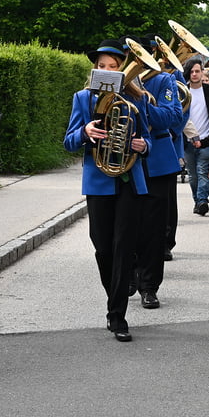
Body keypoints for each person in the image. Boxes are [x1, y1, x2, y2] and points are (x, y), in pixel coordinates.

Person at [63, 39, 152, 342]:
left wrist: (142, 145)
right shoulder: (82, 98)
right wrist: (84, 131)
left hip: (128, 181)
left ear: (122, 69)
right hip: (99, 182)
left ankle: (117, 315)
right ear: (95, 69)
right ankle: (115, 297)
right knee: (103, 248)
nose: (107, 70)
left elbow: (147, 139)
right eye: (102, 66)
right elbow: (68, 142)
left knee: (123, 246)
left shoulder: (135, 99)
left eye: (113, 67)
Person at [131, 36, 185, 310]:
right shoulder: (114, 81)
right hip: (125, 160)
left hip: (158, 163)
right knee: (127, 225)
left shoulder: (164, 80)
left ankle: (149, 287)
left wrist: (141, 101)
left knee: (153, 230)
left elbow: (172, 118)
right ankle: (129, 273)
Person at [182, 56, 209, 215]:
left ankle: (202, 201)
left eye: (197, 71)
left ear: (202, 72)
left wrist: (207, 139)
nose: (194, 74)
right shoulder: (183, 91)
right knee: (192, 175)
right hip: (188, 140)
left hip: (207, 139)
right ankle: (197, 201)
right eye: (191, 71)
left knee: (203, 172)